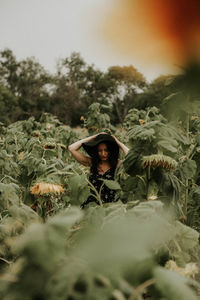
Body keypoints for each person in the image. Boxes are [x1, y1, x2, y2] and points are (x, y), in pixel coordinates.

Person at [68, 132, 129, 208]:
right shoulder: (92, 163)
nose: (103, 154)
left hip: (111, 206)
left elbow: (130, 157)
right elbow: (71, 148)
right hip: (92, 205)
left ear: (111, 151)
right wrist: (94, 137)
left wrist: (118, 142)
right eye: (100, 150)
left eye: (106, 150)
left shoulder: (117, 164)